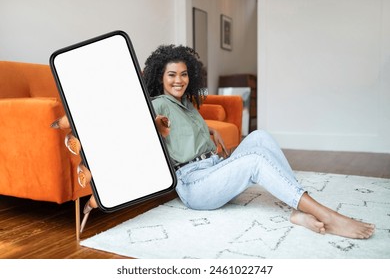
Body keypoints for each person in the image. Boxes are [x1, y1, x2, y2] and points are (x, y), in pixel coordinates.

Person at [51, 45, 375, 239]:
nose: (179, 80)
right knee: (255, 162)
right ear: (159, 79)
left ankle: (299, 211)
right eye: (171, 75)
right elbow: (132, 122)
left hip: (214, 166)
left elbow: (189, 127)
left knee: (260, 136)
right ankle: (328, 216)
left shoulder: (188, 104)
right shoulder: (157, 105)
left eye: (183, 74)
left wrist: (209, 130)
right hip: (194, 185)